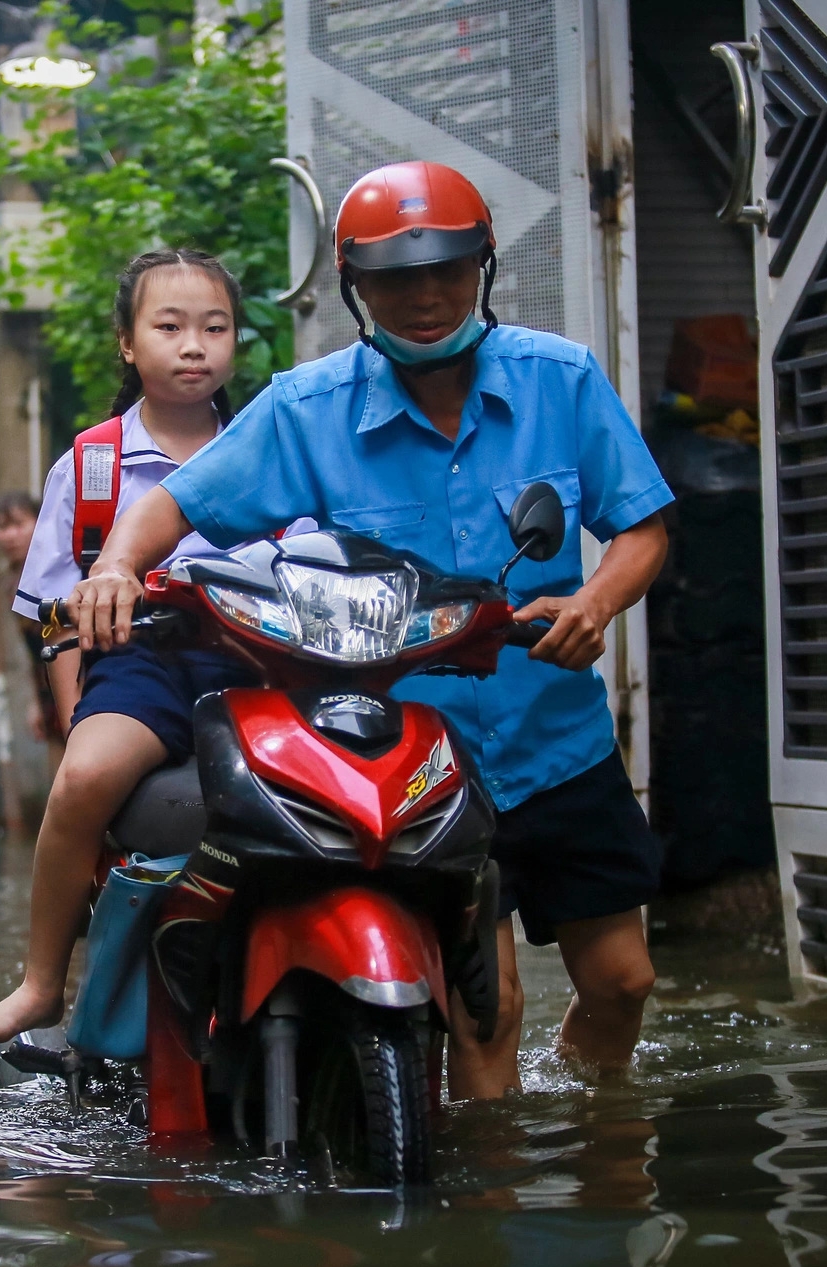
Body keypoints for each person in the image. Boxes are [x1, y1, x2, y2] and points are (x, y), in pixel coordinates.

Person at [56, 163, 674, 1094]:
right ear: (355, 289)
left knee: (624, 981)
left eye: (447, 271)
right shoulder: (309, 409)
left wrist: (596, 602)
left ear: (484, 268)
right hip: (409, 753)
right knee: (487, 1008)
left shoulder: (563, 379)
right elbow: (173, 507)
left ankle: (598, 1130)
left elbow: (643, 529)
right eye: (394, 278)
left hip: (554, 737)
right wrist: (112, 566)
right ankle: (486, 1203)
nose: (425, 298)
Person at [0, 249, 258, 1044]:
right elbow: (56, 620)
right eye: (169, 326)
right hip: (141, 666)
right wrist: (75, 721)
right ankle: (43, 982)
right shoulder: (90, 466)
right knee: (85, 778)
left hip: (262, 668)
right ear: (127, 342)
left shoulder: (269, 448)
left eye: (214, 327)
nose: (194, 345)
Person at [0, 490, 63, 747]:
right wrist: (36, 701)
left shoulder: (56, 572)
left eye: (19, 525)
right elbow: (34, 653)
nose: (10, 536)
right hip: (48, 688)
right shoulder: (12, 580)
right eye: (2, 527)